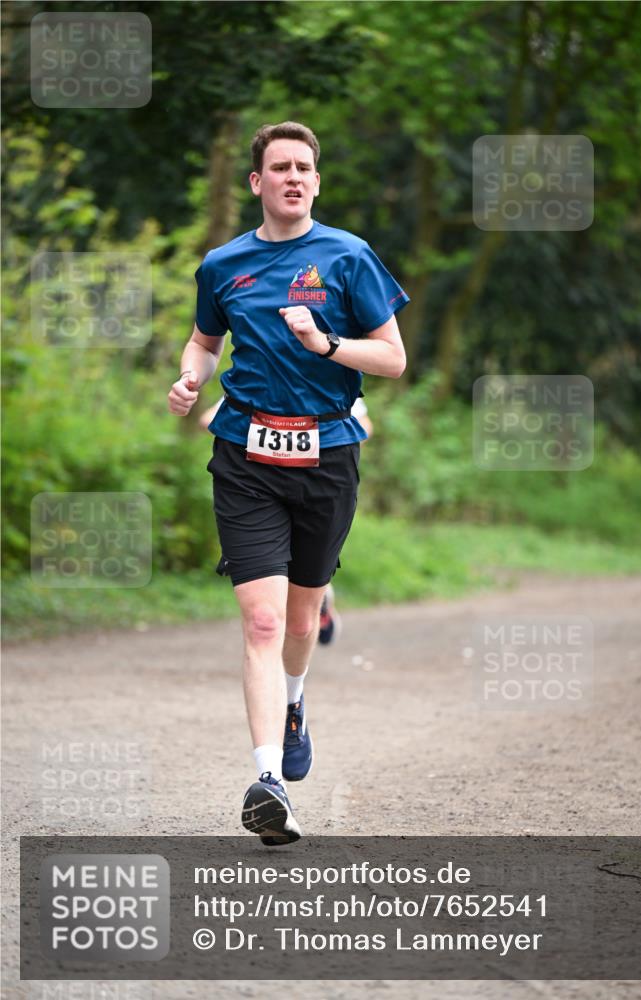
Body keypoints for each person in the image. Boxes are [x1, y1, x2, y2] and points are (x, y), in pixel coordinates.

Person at [168, 121, 409, 846]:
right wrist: (189, 377)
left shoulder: (348, 256)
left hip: (326, 455)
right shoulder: (225, 264)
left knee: (302, 623)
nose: (293, 177)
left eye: (304, 167)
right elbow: (204, 342)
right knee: (264, 623)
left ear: (315, 181)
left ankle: (295, 703)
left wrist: (327, 344)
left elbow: (392, 359)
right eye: (280, 167)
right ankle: (268, 780)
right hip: (244, 453)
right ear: (257, 183)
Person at [199, 394, 373, 646]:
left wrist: (335, 438)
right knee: (266, 610)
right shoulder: (257, 381)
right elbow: (207, 418)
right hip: (260, 483)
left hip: (322, 482)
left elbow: (364, 423)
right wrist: (249, 429)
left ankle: (316, 601)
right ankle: (281, 631)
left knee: (300, 600)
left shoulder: (332, 378)